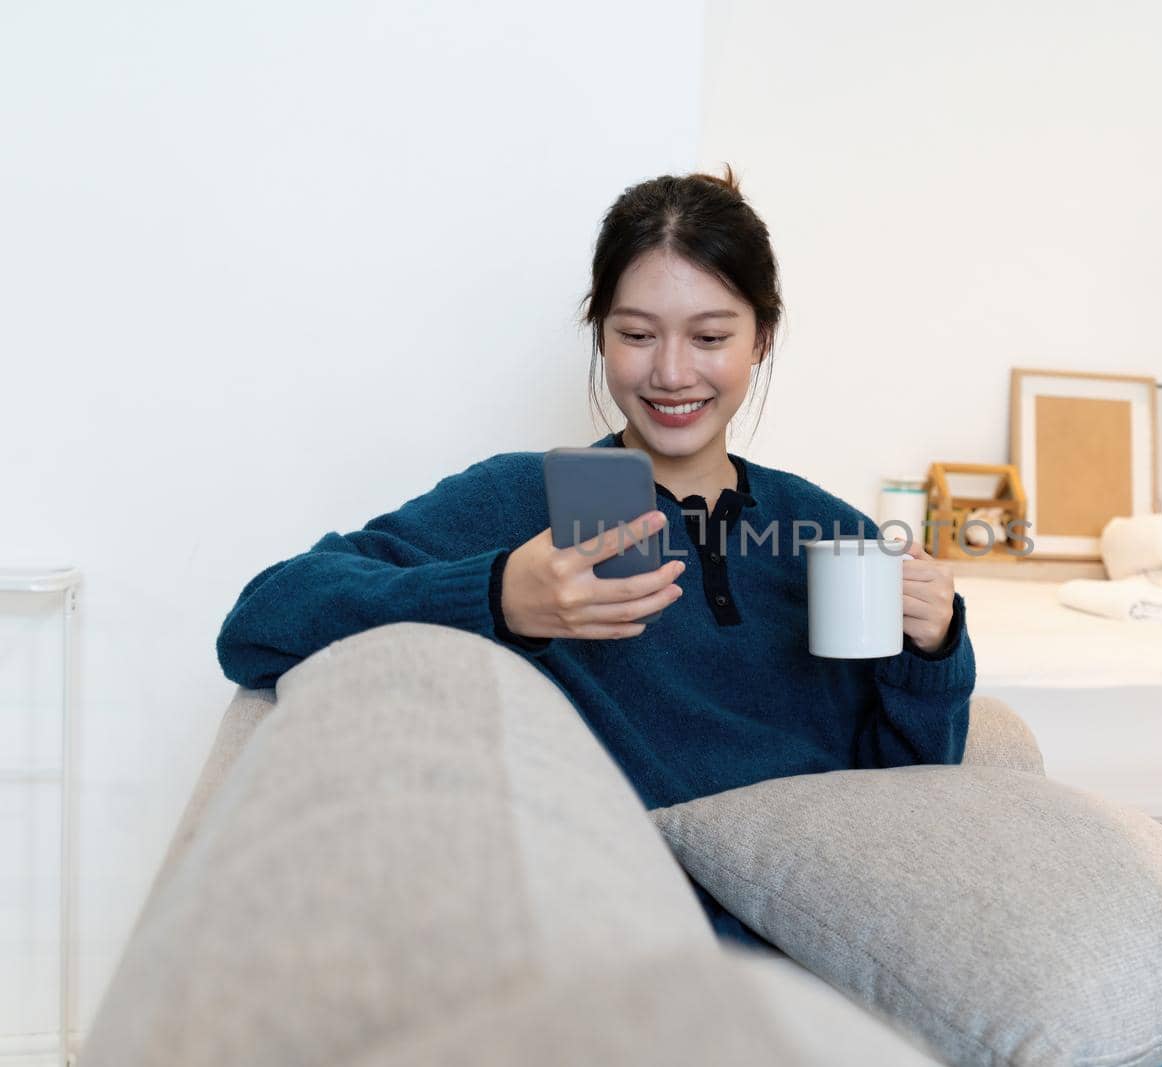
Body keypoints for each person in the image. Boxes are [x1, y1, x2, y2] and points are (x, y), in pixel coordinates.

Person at [215, 167, 976, 951]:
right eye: (637, 334)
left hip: (821, 939)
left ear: (762, 340)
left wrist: (934, 649)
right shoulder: (523, 501)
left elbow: (901, 801)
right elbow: (259, 623)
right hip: (623, 938)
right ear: (600, 332)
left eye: (710, 337)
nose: (672, 372)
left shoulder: (825, 530)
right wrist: (500, 595)